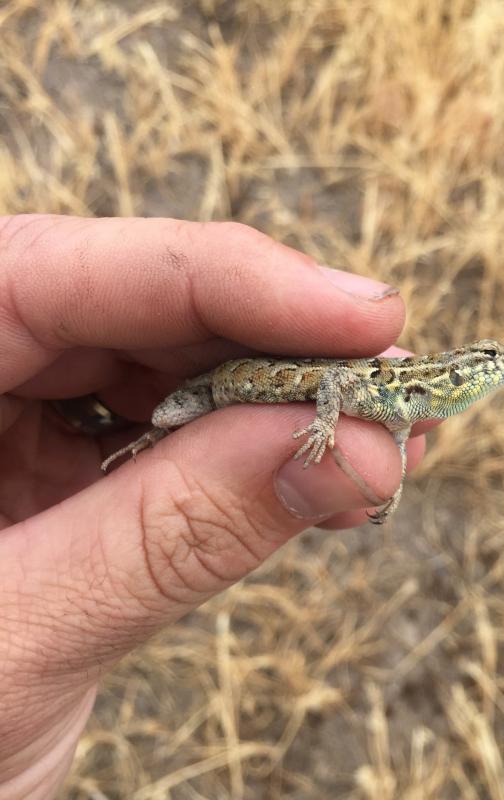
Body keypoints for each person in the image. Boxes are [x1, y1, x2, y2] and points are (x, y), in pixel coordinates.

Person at [0, 215, 427, 800]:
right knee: (163, 416)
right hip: (226, 383)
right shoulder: (215, 392)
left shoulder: (400, 399)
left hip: (260, 384)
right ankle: (140, 434)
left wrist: (392, 483)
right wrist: (325, 426)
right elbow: (332, 388)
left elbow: (387, 421)